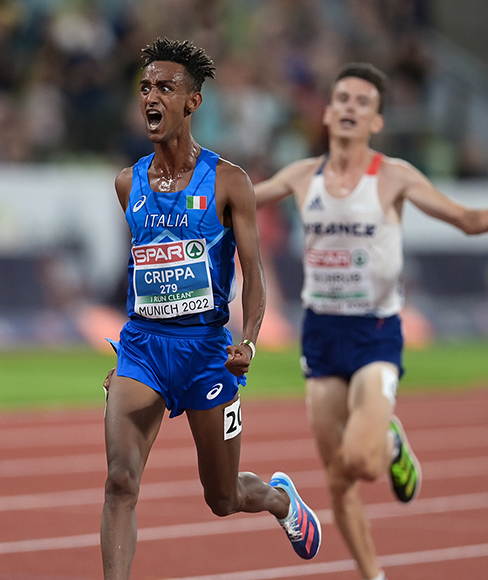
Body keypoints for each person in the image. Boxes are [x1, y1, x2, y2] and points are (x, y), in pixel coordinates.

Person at [254, 63, 488, 580]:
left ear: (377, 120)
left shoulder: (394, 176)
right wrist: (178, 190)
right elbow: (236, 201)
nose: (351, 108)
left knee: (361, 461)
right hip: (320, 332)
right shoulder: (300, 176)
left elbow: (463, 218)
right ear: (328, 111)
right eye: (343, 99)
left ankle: (391, 444)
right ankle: (374, 575)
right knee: (337, 480)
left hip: (374, 334)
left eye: (363, 102)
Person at [100, 38, 321, 580]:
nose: (151, 97)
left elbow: (255, 271)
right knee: (120, 481)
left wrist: (247, 337)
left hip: (206, 355)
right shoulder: (128, 184)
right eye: (146, 87)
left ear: (192, 102)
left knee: (221, 497)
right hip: (143, 350)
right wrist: (128, 363)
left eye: (165, 88)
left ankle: (277, 500)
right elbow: (143, 271)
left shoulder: (230, 182)